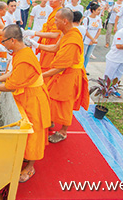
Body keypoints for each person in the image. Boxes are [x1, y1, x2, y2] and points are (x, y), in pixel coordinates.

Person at [0, 25, 51, 183]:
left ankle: (30, 167)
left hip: (33, 98)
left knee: (33, 132)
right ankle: (24, 155)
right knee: (25, 131)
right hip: (26, 96)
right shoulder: (20, 52)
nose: (3, 44)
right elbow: (12, 73)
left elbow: (11, 86)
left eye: (4, 41)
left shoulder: (25, 58)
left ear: (13, 40)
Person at [33, 8, 89, 143]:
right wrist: (36, 44)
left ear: (65, 21)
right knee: (51, 96)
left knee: (65, 102)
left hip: (70, 75)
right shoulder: (66, 33)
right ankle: (51, 120)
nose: (54, 22)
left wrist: (40, 76)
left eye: (56, 20)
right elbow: (55, 48)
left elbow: (61, 67)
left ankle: (63, 131)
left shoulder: (74, 38)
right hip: (62, 73)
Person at [34, 0, 64, 72]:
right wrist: (34, 34)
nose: (50, 0)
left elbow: (55, 34)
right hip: (46, 47)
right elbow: (46, 28)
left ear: (61, 0)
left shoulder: (60, 14)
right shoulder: (53, 12)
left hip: (52, 48)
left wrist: (35, 33)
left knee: (47, 71)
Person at [81, 3, 102, 69]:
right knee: (83, 55)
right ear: (93, 10)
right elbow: (85, 30)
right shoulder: (87, 19)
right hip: (86, 40)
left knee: (88, 55)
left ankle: (84, 68)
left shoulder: (99, 19)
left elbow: (99, 30)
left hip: (94, 40)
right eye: (98, 10)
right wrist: (91, 39)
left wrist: (94, 39)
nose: (99, 12)